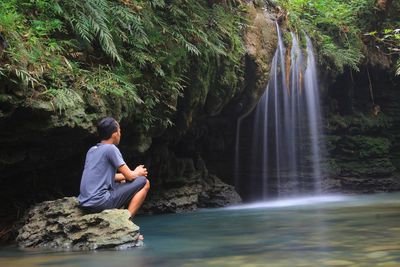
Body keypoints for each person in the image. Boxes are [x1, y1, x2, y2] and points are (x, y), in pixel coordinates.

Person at [78, 117, 150, 219]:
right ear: (114, 134)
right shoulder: (110, 149)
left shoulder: (92, 150)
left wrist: (128, 176)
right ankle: (127, 220)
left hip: (85, 203)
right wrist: (137, 172)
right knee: (144, 182)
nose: (120, 133)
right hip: (100, 203)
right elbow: (130, 176)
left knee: (122, 181)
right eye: (119, 130)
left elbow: (103, 177)